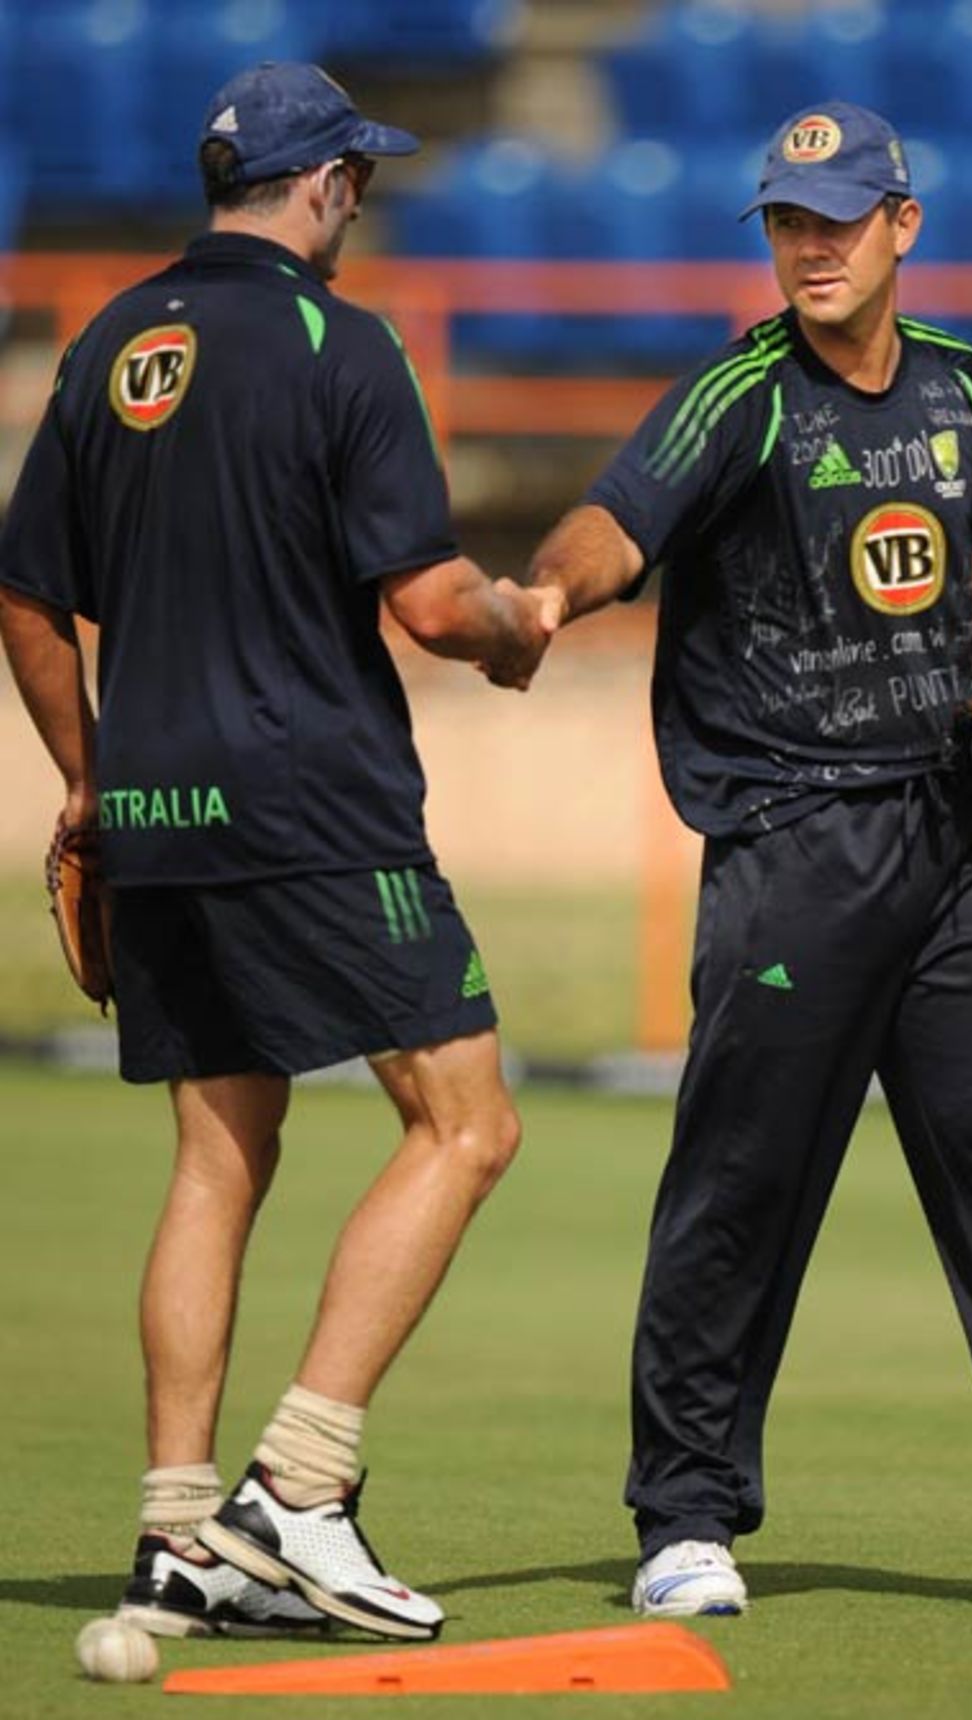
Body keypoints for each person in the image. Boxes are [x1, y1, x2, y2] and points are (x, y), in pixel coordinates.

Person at [525, 100, 972, 1614]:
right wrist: (543, 599)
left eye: (839, 218)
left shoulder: (962, 384)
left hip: (956, 839)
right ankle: (684, 1519)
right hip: (796, 841)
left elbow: (969, 552)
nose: (812, 247)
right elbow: (613, 522)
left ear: (901, 225)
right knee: (745, 1180)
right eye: (788, 222)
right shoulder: (738, 397)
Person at [0, 62, 560, 1641]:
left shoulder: (110, 339)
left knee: (219, 1152)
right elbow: (432, 604)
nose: (360, 202)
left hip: (157, 813)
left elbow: (26, 597)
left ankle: (178, 1533)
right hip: (313, 806)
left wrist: (92, 781)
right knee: (468, 1125)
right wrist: (516, 626)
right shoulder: (345, 343)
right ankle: (299, 1493)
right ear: (322, 188)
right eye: (356, 180)